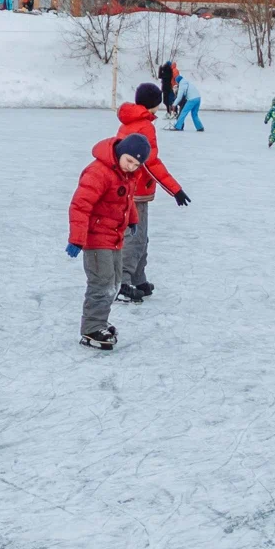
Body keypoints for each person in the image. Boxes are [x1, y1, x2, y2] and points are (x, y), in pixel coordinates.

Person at [66, 134, 151, 350]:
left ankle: (100, 321)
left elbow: (127, 199)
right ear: (120, 152)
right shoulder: (99, 172)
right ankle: (91, 329)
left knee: (113, 283)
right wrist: (77, 238)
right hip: (96, 239)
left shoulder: (125, 175)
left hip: (114, 237)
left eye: (136, 164)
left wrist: (133, 219)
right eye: (129, 160)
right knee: (101, 282)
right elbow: (80, 205)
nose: (131, 167)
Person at [115, 83, 190, 303]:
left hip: (128, 187)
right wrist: (174, 189)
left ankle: (138, 279)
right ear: (154, 104)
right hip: (136, 191)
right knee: (135, 237)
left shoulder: (129, 121)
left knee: (138, 235)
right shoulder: (145, 126)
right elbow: (149, 162)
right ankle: (123, 283)